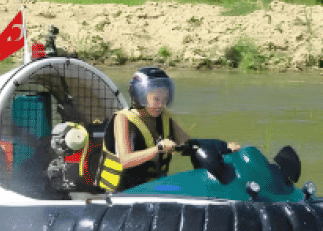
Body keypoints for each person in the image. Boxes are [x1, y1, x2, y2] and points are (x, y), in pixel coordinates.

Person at [98, 67, 238, 192]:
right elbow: (125, 160)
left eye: (165, 99)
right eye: (156, 99)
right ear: (140, 95)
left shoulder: (164, 118)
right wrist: (158, 149)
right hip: (123, 193)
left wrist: (223, 146)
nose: (161, 105)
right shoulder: (122, 119)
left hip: (153, 189)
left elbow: (190, 144)